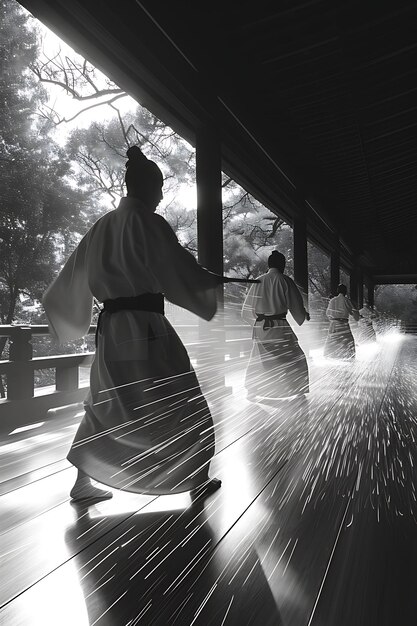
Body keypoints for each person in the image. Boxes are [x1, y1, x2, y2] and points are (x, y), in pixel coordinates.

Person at [43, 145, 222, 503]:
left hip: (111, 330)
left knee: (109, 403)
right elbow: (177, 270)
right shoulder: (150, 223)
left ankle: (83, 482)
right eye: (158, 189)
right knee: (181, 400)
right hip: (147, 329)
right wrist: (207, 279)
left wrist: (67, 318)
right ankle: (196, 477)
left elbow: (69, 278)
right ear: (148, 187)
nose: (159, 197)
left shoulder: (102, 226)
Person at [241, 250, 310, 401]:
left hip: (261, 330)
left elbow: (245, 311)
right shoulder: (285, 281)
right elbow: (296, 308)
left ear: (269, 264)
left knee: (258, 360)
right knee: (295, 359)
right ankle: (296, 389)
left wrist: (258, 324)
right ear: (282, 265)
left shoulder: (258, 281)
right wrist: (304, 314)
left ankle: (253, 390)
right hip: (280, 330)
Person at [324, 284, 359, 359]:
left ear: (337, 291)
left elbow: (327, 314)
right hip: (343, 325)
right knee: (348, 344)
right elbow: (355, 315)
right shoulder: (346, 300)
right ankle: (349, 359)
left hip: (333, 325)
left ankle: (331, 358)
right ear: (345, 291)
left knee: (332, 343)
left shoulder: (332, 300)